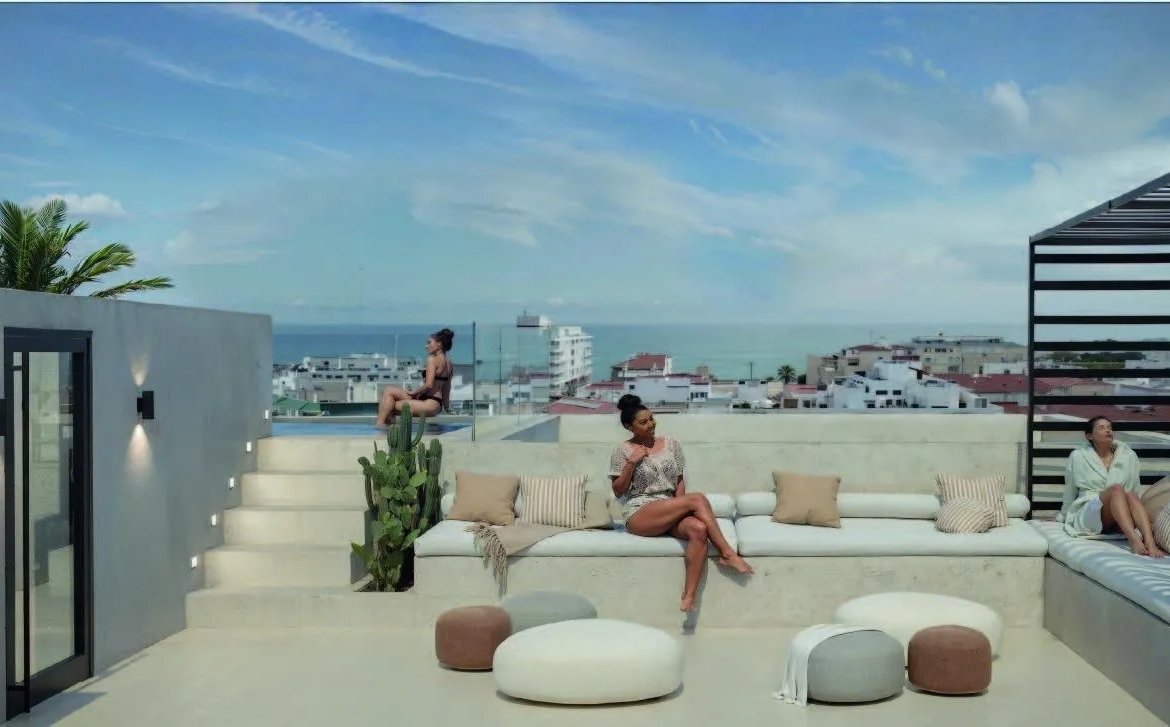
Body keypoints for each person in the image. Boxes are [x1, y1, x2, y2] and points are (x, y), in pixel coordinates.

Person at [608, 394, 753, 612]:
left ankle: (689, 595)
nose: (651, 424)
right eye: (643, 422)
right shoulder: (623, 450)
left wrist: (681, 510)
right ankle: (727, 553)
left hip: (668, 507)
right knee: (697, 498)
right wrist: (631, 462)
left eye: (651, 419)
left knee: (698, 529)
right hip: (640, 512)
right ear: (629, 426)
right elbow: (618, 491)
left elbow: (678, 481)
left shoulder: (672, 444)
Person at [1058, 415, 1164, 557]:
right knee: (1116, 489)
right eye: (1101, 428)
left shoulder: (1128, 456)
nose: (1108, 430)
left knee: (1131, 494)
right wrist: (1063, 516)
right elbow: (1070, 489)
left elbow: (1135, 487)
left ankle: (1150, 542)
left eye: (1109, 427)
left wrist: (1137, 515)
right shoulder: (1078, 456)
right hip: (1090, 511)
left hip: (1120, 514)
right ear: (1090, 436)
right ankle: (1134, 540)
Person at [375, 328, 455, 429]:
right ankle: (385, 427)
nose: (426, 346)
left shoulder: (432, 359)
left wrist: (415, 393)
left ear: (439, 345)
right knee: (388, 391)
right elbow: (446, 388)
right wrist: (447, 407)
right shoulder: (449, 364)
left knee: (386, 406)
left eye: (429, 343)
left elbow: (429, 385)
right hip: (436, 405)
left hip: (428, 404)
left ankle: (379, 428)